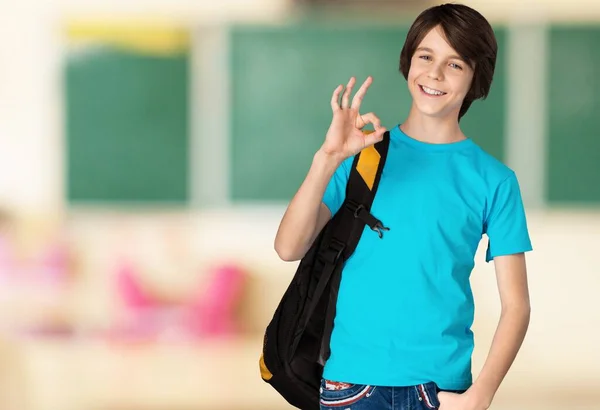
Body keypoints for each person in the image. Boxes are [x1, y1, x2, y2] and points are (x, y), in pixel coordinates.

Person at [274, 3, 532, 410]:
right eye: (425, 56)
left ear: (476, 78)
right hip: (351, 387)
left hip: (442, 391)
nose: (434, 73)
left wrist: (481, 394)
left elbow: (516, 306)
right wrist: (326, 159)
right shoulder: (362, 158)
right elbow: (288, 247)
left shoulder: (494, 180)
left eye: (455, 64)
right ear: (408, 62)